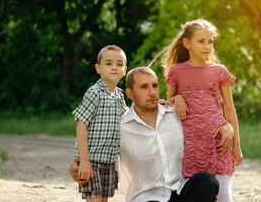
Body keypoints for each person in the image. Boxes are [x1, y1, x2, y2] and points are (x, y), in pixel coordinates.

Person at [71, 67, 235, 202]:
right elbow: (98, 147)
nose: (152, 92)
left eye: (155, 86)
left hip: (181, 192)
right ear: (129, 93)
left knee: (206, 181)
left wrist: (227, 126)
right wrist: (78, 163)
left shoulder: (176, 114)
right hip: (146, 197)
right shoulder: (120, 125)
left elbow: (207, 123)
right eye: (144, 87)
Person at [162, 19, 243, 202]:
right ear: (187, 43)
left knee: (223, 196)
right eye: (201, 41)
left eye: (210, 41)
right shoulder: (177, 71)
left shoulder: (220, 71)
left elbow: (229, 109)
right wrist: (178, 98)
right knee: (203, 193)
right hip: (191, 146)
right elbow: (168, 104)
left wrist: (236, 146)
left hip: (218, 144)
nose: (207, 46)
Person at [72, 45, 128, 201]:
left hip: (109, 160)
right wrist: (84, 160)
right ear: (98, 68)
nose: (114, 68)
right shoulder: (94, 92)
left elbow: (128, 118)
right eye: (108, 63)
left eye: (119, 64)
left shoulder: (120, 96)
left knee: (103, 200)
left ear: (124, 70)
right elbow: (81, 124)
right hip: (92, 160)